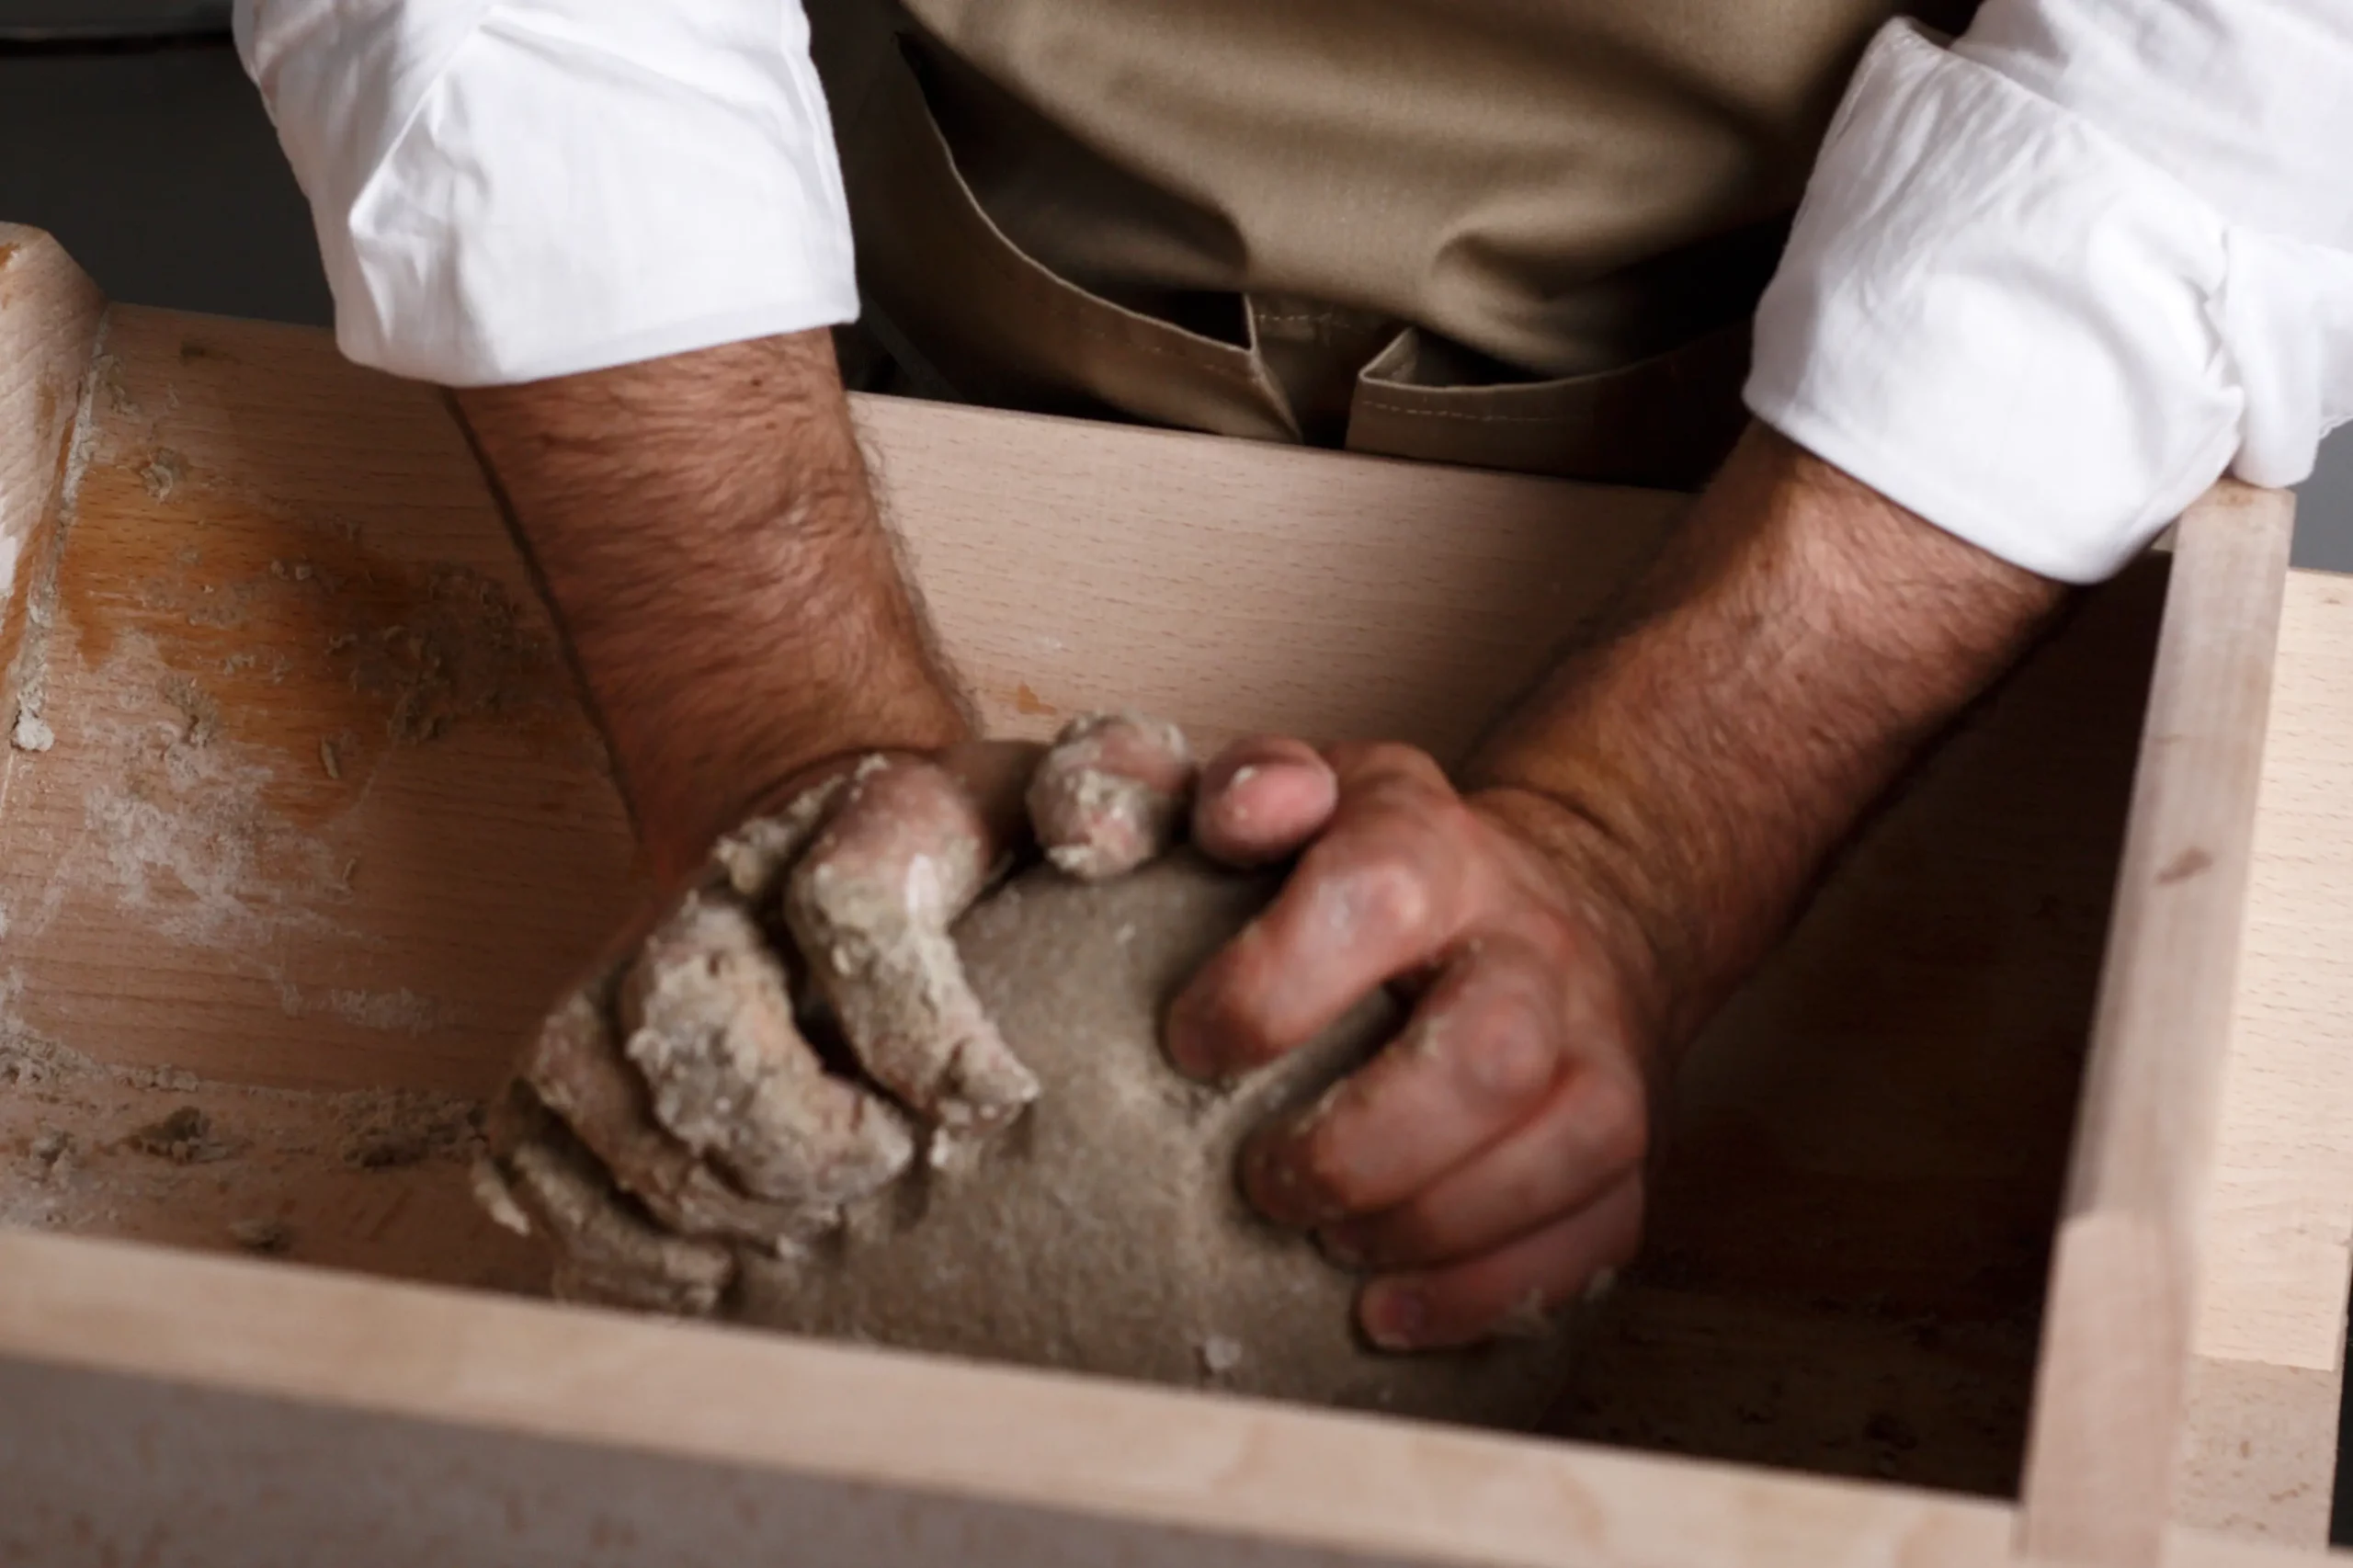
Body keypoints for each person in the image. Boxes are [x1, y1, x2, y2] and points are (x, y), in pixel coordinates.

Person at [234, 0, 2353, 1349]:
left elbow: (2246, 77)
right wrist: (770, 723)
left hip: (1855, 384)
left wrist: (1644, 840)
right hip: (933, 253)